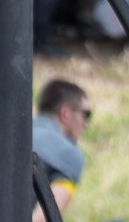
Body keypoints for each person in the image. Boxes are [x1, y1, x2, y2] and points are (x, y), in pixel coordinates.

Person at [31, 79, 89, 222]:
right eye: (86, 114)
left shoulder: (11, 134)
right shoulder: (68, 153)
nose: (86, 124)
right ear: (65, 112)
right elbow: (43, 219)